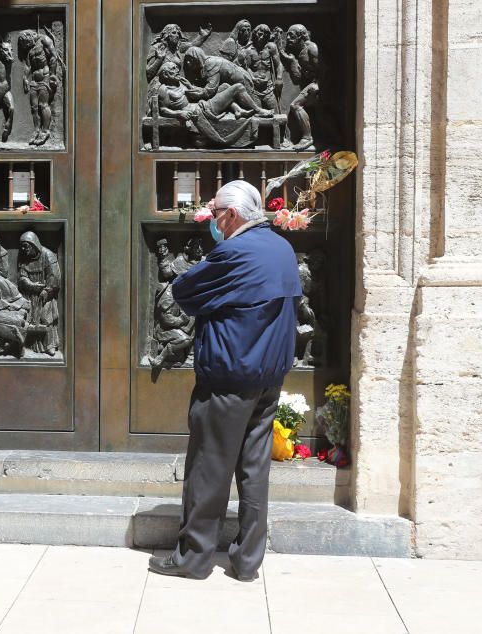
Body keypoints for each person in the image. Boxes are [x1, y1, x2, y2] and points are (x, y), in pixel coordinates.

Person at [148, 181, 301, 581]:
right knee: (254, 469)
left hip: (229, 377)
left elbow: (183, 291)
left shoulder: (234, 252)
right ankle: (248, 560)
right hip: (268, 377)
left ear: (231, 215)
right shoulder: (282, 248)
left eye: (214, 211)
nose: (211, 219)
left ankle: (193, 558)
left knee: (209, 468)